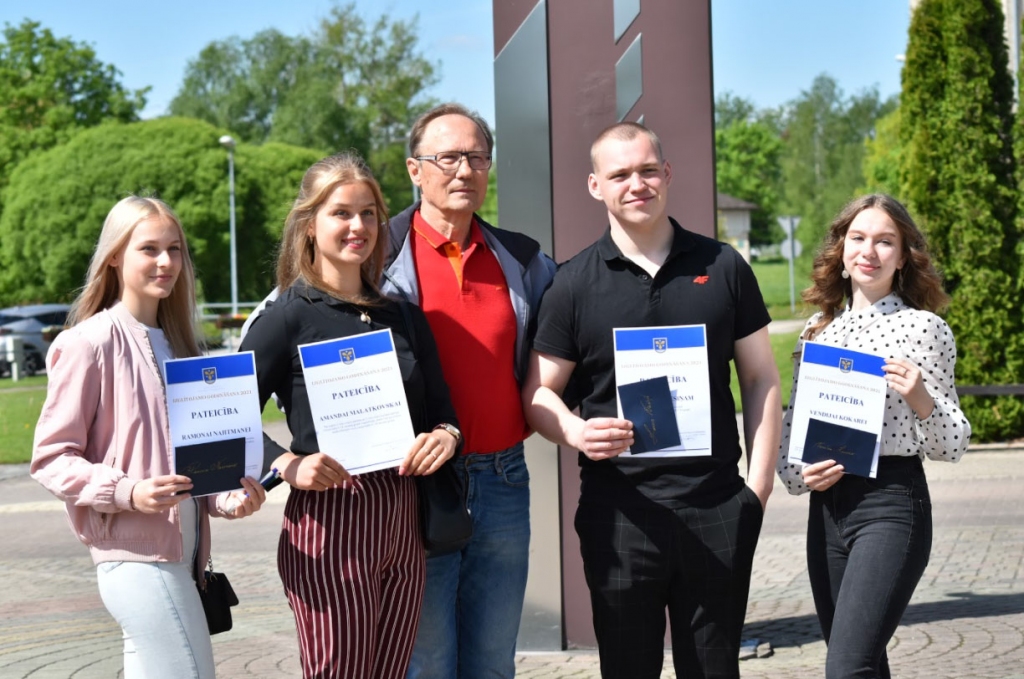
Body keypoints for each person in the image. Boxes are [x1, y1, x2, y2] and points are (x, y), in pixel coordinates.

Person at [522, 122, 780, 679]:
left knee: (714, 672)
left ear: (666, 174)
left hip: (717, 506)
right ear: (596, 186)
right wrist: (574, 431)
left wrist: (755, 491)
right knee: (627, 670)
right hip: (619, 515)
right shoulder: (572, 283)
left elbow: (761, 378)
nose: (635, 184)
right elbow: (538, 392)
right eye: (619, 174)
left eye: (646, 170)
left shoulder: (724, 265)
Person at [238, 152, 462, 679]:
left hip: (403, 517)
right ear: (309, 224)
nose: (357, 226)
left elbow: (443, 412)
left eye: (368, 213)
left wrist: (446, 437)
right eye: (341, 213)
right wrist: (287, 466)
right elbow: (227, 421)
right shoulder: (285, 318)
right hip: (330, 523)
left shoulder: (403, 316)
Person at [31, 196, 267, 679]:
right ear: (115, 255)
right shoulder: (88, 343)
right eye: (149, 249)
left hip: (187, 560)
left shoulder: (187, 349)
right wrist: (127, 491)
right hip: (135, 561)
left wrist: (228, 499)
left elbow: (201, 461)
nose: (166, 262)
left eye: (175, 249)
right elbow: (51, 458)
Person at [383, 102, 556, 679]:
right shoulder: (376, 258)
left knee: (491, 662)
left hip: (505, 479)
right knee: (427, 662)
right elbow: (294, 331)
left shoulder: (526, 261)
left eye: (477, 158)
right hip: (417, 487)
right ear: (414, 169)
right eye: (448, 157)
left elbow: (573, 348)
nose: (464, 170)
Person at [776, 194, 971, 679]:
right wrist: (803, 474)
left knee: (847, 665)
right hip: (827, 512)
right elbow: (790, 440)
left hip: (891, 504)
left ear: (903, 256)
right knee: (863, 663)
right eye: (858, 238)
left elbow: (953, 443)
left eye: (885, 241)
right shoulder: (817, 332)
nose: (869, 251)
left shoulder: (923, 328)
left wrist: (920, 396)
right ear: (841, 250)